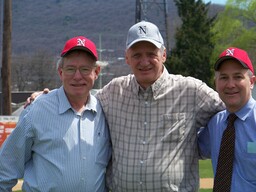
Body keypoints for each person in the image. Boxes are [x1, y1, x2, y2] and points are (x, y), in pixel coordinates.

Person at [25, 21, 225, 191]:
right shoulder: (113, 91)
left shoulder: (191, 90)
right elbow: (80, 94)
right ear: (127, 58)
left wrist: (200, 147)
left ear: (164, 54)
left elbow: (230, 112)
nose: (144, 61)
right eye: (137, 54)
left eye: (151, 53)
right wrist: (46, 97)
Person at [0, 36, 111, 192]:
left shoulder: (105, 110)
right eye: (71, 69)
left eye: (85, 69)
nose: (77, 76)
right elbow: (6, 166)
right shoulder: (38, 109)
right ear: (60, 72)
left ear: (96, 72)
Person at [198, 47, 256, 191]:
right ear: (216, 83)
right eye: (224, 77)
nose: (230, 84)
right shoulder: (214, 124)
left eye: (238, 77)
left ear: (252, 82)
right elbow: (192, 149)